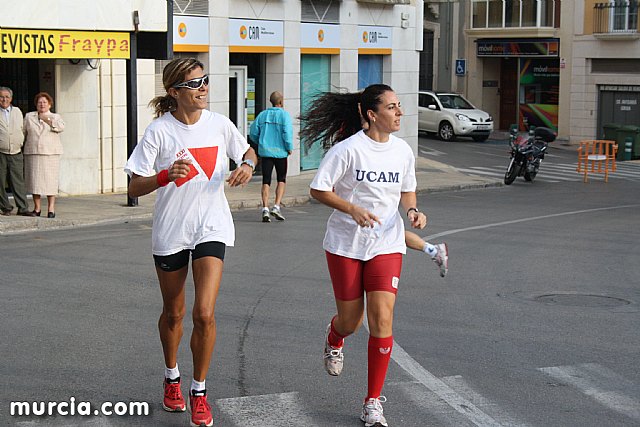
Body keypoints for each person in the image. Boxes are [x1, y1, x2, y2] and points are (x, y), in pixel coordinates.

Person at [124, 58, 257, 427]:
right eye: (194, 83)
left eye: (204, 81)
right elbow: (134, 185)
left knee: (205, 314)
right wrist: (164, 175)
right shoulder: (159, 132)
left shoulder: (218, 125)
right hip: (171, 231)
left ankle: (199, 391)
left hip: (211, 227)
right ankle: (172, 378)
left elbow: (246, 151)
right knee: (175, 313)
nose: (202, 88)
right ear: (174, 92)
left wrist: (247, 164)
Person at [303, 84, 427, 427]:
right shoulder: (348, 150)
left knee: (382, 319)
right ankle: (335, 337)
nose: (399, 112)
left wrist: (413, 209)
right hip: (346, 244)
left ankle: (372, 402)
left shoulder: (402, 151)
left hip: (386, 244)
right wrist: (350, 208)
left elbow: (407, 188)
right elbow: (318, 189)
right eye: (392, 107)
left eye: (399, 106)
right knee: (352, 321)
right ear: (372, 115)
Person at [249, 91, 293, 222]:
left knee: (266, 180)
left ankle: (265, 208)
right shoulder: (285, 116)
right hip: (281, 153)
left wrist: (260, 142)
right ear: (281, 102)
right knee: (281, 179)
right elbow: (287, 133)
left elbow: (253, 132)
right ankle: (276, 206)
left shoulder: (262, 115)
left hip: (266, 152)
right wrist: (289, 147)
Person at [23, 92, 65, 218]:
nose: (42, 104)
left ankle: (51, 209)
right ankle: (37, 208)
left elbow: (60, 127)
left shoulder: (55, 116)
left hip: (50, 154)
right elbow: (23, 132)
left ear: (50, 104)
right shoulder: (29, 116)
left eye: (44, 102)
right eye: (39, 102)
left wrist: (46, 120)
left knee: (50, 182)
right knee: (35, 182)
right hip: (33, 153)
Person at [0, 86, 31, 216]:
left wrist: (21, 142)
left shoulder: (17, 111)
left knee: (18, 181)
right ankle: (5, 207)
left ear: (11, 98)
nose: (4, 99)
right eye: (1, 97)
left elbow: (22, 128)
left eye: (7, 97)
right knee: (0, 181)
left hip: (16, 151)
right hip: (1, 151)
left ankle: (23, 208)